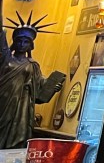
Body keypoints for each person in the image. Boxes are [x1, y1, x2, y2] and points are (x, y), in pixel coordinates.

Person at [0, 14, 64, 149]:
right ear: (14, 42)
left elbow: (39, 87)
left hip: (22, 107)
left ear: (31, 45)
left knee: (19, 136)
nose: (22, 44)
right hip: (3, 103)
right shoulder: (6, 58)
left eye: (26, 42)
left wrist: (52, 87)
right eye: (19, 41)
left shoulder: (33, 65)